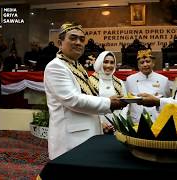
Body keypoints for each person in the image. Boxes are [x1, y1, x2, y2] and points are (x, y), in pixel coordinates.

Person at [44, 22, 126, 160]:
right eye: (73, 38)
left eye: (82, 40)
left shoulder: (77, 66)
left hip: (86, 134)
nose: (78, 43)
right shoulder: (56, 67)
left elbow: (88, 97)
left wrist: (100, 124)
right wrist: (108, 103)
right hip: (70, 138)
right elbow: (72, 100)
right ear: (60, 42)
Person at [126, 49, 170, 122]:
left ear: (153, 63)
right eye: (142, 62)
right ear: (138, 65)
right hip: (137, 120)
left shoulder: (163, 80)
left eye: (148, 61)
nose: (145, 64)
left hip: (157, 120)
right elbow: (127, 102)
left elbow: (167, 101)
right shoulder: (130, 80)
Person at [89, 51, 128, 134]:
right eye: (105, 62)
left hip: (117, 128)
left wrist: (120, 122)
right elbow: (88, 105)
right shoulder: (90, 81)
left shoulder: (119, 82)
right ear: (99, 62)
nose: (109, 65)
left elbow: (125, 104)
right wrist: (101, 123)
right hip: (97, 127)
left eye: (112, 63)